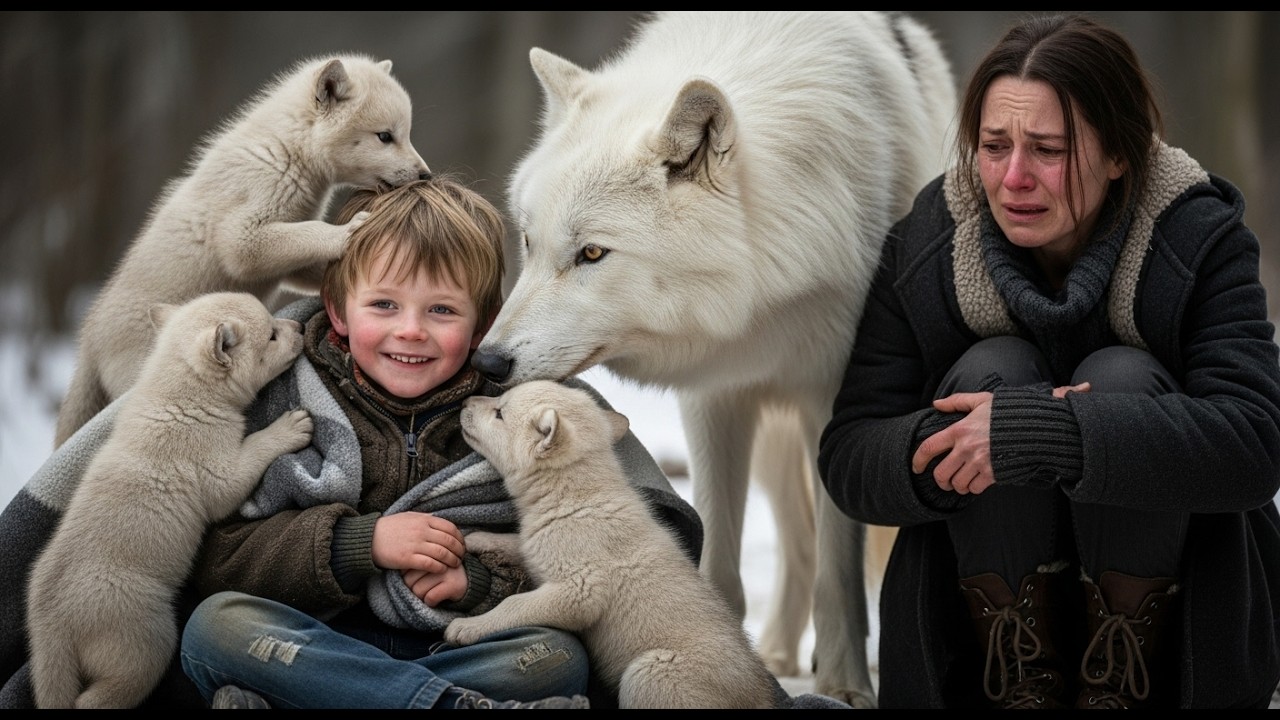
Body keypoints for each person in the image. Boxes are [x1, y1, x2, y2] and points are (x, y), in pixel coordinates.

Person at [817, 13, 1280, 710]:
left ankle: (1121, 678)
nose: (1012, 178)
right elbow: (850, 454)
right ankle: (1019, 681)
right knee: (989, 368)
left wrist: (1043, 434)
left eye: (1048, 150)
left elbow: (1253, 442)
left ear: (1121, 154)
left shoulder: (1196, 234)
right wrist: (940, 446)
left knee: (1125, 377)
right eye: (994, 146)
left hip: (1178, 655)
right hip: (979, 667)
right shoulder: (928, 247)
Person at [176, 175, 704, 709]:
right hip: (316, 641)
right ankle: (444, 705)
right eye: (384, 304)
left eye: (442, 311)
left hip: (450, 650)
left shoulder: (522, 415)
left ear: (483, 326)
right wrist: (358, 544)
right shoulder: (282, 391)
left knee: (555, 656)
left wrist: (473, 583)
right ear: (337, 309)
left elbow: (579, 567)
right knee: (215, 627)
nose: (411, 330)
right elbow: (217, 554)